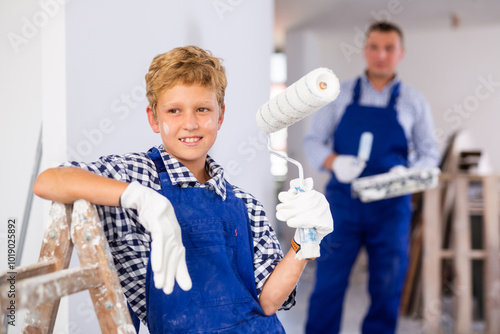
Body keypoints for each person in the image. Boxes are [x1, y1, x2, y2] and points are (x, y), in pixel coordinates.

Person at [33, 45, 333, 333]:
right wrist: (138, 197)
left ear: (220, 115)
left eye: (202, 109)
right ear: (154, 118)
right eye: (174, 111)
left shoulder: (244, 203)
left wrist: (304, 240)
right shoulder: (136, 175)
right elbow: (49, 180)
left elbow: (268, 301)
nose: (189, 123)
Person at [303, 21, 440, 333]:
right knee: (328, 283)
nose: (381, 54)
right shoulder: (338, 96)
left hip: (391, 208)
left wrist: (409, 173)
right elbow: (313, 141)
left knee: (387, 287)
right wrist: (334, 161)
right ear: (365, 51)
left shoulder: (413, 101)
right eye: (374, 47)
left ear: (400, 53)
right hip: (342, 205)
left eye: (388, 48)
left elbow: (430, 151)